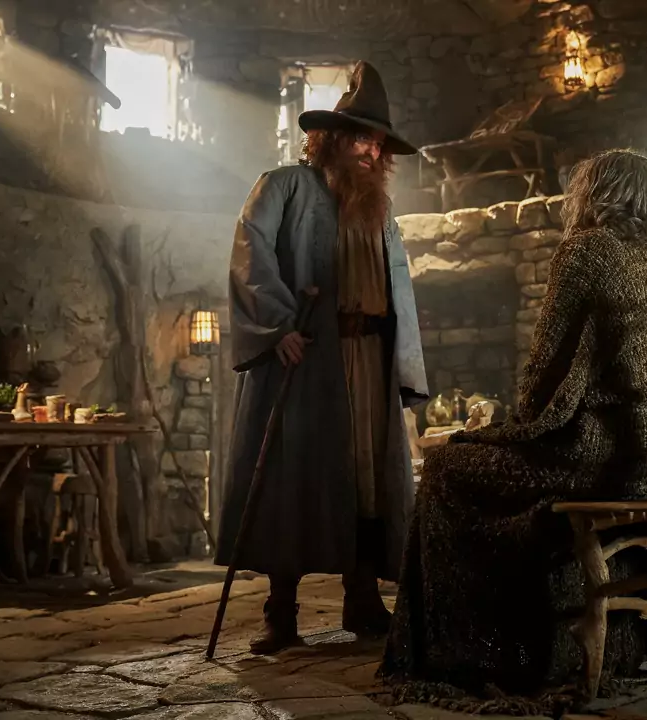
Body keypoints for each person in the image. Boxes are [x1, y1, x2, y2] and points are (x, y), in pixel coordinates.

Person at [381, 149, 647, 699]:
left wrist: (518, 424)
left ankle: (475, 652)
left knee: (446, 470)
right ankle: (615, 642)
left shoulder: (586, 251)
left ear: (593, 193)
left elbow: (548, 364)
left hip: (610, 452)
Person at [217, 61, 429, 655]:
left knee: (367, 480)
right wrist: (277, 327)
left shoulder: (378, 209)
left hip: (369, 363)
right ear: (331, 138)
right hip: (307, 356)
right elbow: (250, 252)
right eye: (362, 138)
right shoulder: (283, 185)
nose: (372, 151)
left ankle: (362, 598)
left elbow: (398, 289)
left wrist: (402, 365)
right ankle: (280, 612)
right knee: (294, 477)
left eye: (379, 143)